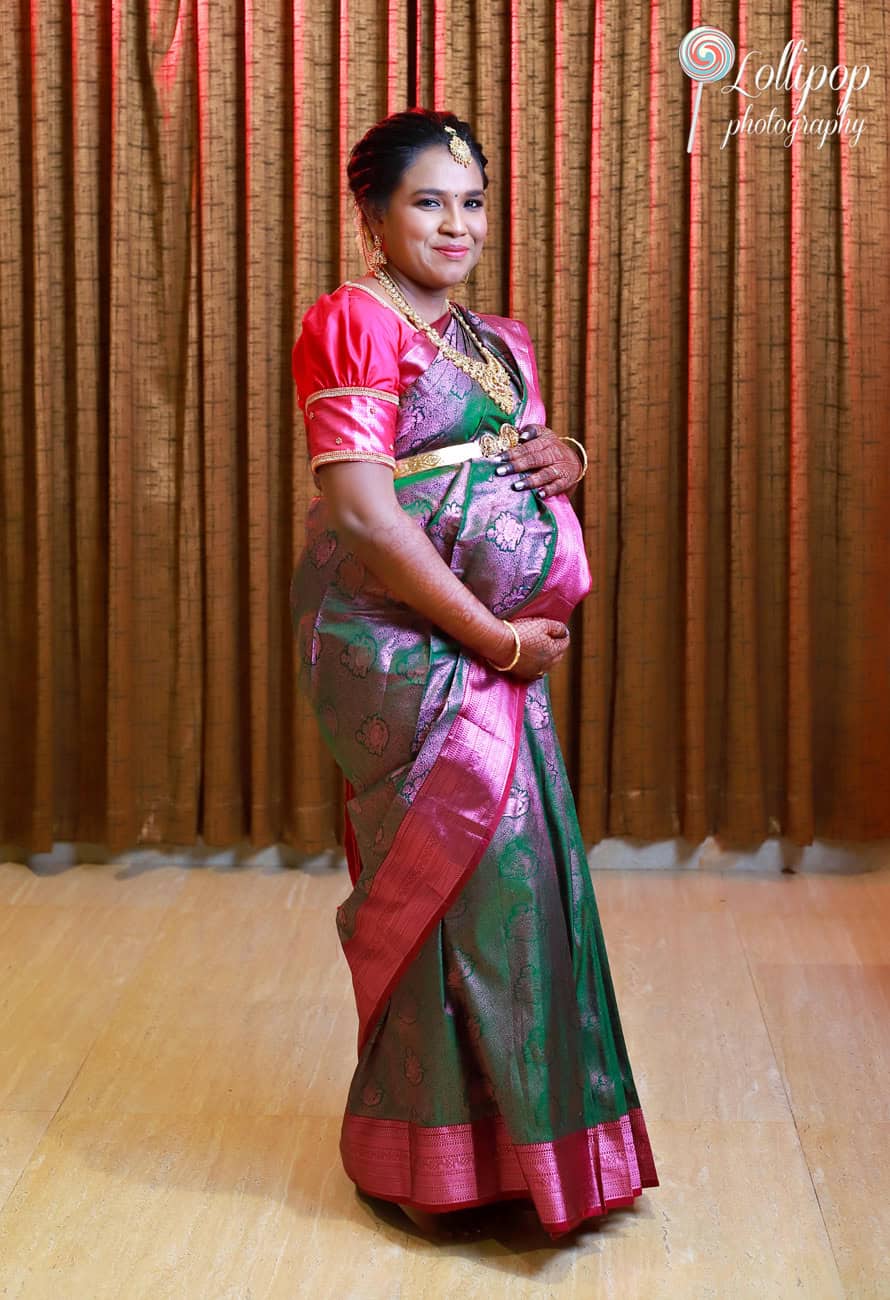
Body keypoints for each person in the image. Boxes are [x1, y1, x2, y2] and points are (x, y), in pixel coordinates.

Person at [290, 107, 659, 1240]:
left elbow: (519, 462)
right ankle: (429, 1163)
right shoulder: (352, 321)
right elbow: (361, 513)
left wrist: (570, 455)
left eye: (472, 202)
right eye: (427, 200)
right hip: (401, 653)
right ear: (370, 213)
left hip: (496, 662)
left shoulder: (498, 340)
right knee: (459, 886)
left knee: (526, 889)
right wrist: (493, 641)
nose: (457, 224)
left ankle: (520, 1161)